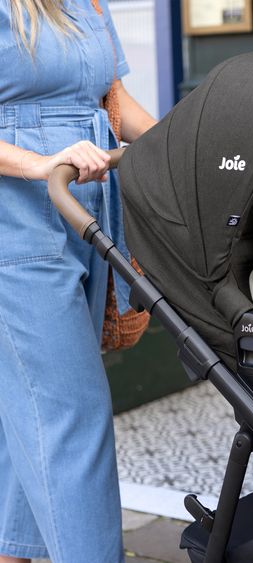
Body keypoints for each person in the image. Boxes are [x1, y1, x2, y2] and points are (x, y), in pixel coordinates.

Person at [0, 1, 156, 561]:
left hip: (89, 212)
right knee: (73, 411)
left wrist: (179, 146)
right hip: (16, 220)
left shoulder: (86, 2)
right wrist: (38, 163)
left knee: (36, 407)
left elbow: (110, 99)